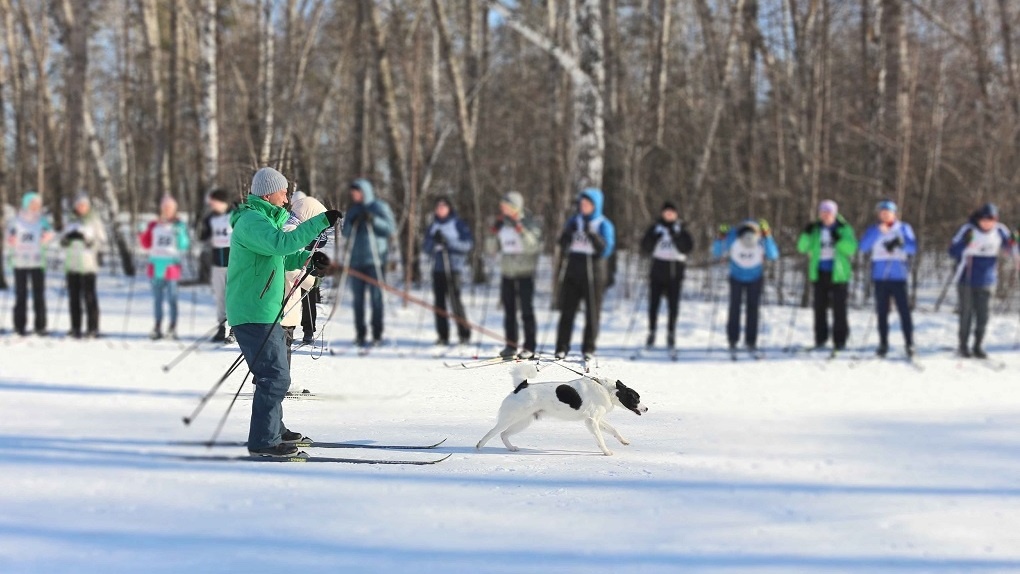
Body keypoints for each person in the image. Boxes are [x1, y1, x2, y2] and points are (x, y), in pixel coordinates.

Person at [227, 166, 340, 457]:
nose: (287, 197)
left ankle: (274, 429)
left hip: (265, 311)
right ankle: (264, 441)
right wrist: (320, 222)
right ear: (268, 192)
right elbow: (280, 243)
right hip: (253, 312)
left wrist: (309, 260)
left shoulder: (263, 220)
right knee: (274, 376)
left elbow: (284, 254)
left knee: (276, 374)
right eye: (283, 191)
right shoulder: (252, 221)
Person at [948, 203, 1018, 358]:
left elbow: (1011, 247)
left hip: (988, 280)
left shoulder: (1000, 230)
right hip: (967, 278)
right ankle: (963, 346)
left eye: (991, 219)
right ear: (978, 219)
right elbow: (952, 251)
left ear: (996, 219)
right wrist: (965, 243)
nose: (987, 222)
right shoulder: (968, 229)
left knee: (984, 315)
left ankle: (978, 346)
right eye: (984, 219)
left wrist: (1015, 238)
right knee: (966, 314)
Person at [554, 188, 616, 361]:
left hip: (594, 270)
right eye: (582, 203)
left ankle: (588, 347)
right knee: (567, 310)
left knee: (592, 312)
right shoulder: (575, 220)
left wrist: (593, 236)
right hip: (574, 268)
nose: (583, 207)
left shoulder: (603, 224)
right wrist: (567, 234)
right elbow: (562, 244)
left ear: (596, 205)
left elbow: (606, 250)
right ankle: (561, 346)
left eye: (587, 204)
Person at [341, 178, 396, 348]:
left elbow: (390, 228)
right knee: (358, 300)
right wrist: (352, 221)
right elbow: (346, 233)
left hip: (375, 260)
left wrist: (373, 220)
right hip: (357, 261)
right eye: (352, 193)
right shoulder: (353, 210)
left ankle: (377, 333)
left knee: (376, 298)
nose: (354, 196)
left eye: (356, 193)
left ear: (364, 191)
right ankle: (360, 334)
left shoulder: (379, 207)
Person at [797, 199, 858, 351]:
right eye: (823, 212)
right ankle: (821, 338)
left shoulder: (844, 228)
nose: (826, 215)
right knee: (819, 308)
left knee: (839, 308)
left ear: (834, 214)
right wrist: (806, 233)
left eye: (829, 212)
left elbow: (851, 249)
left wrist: (839, 240)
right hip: (819, 272)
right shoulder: (816, 229)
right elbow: (802, 248)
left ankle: (840, 340)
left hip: (839, 274)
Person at [859, 200, 917, 358]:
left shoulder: (903, 228)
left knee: (904, 311)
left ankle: (909, 343)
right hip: (880, 276)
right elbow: (863, 247)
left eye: (888, 212)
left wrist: (900, 244)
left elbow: (913, 247)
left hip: (899, 275)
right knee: (882, 312)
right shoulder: (874, 229)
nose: (885, 215)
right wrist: (878, 232)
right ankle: (883, 343)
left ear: (894, 214)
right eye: (882, 212)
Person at [712, 218, 779, 354]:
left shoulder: (761, 238)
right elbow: (717, 252)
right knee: (734, 308)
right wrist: (720, 237)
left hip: (755, 278)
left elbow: (773, 255)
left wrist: (768, 236)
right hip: (736, 277)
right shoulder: (732, 236)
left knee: (753, 310)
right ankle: (732, 339)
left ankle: (751, 341)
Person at [491, 191, 543, 359]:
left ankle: (529, 346)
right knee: (509, 311)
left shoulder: (529, 223)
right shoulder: (502, 224)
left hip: (524, 273)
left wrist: (521, 230)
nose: (502, 209)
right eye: (502, 206)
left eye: (505, 206)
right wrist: (493, 233)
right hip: (507, 272)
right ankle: (511, 345)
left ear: (514, 207)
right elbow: (491, 249)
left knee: (526, 311)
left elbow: (533, 247)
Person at [639, 201, 693, 351]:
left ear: (676, 214)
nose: (669, 215)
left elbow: (687, 248)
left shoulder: (680, 228)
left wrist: (676, 237)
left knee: (673, 305)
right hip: (658, 268)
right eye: (666, 212)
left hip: (675, 270)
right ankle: (652, 331)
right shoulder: (656, 228)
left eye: (672, 212)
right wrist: (655, 237)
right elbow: (645, 247)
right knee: (654, 304)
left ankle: (671, 332)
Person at [422, 196, 474, 347]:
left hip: (454, 267)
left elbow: (467, 245)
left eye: (443, 206)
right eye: (437, 206)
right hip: (438, 268)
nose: (440, 209)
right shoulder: (433, 226)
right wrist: (434, 242)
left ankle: (464, 333)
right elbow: (426, 248)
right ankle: (442, 335)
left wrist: (449, 243)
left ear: (449, 208)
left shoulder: (457, 223)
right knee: (439, 303)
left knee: (455, 301)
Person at [139, 196, 190, 340]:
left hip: (171, 267)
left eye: (170, 208)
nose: (167, 211)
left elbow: (183, 245)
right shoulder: (154, 225)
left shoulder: (179, 224)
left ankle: (172, 326)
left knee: (172, 299)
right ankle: (157, 326)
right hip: (156, 266)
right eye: (165, 208)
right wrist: (142, 233)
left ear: (174, 209)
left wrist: (180, 234)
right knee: (157, 300)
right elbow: (146, 244)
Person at [61, 194, 108, 338]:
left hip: (88, 264)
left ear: (88, 207)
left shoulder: (94, 220)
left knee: (89, 297)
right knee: (73, 297)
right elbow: (62, 239)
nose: (81, 208)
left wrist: (90, 242)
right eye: (79, 205)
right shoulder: (70, 220)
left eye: (84, 205)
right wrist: (66, 240)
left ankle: (93, 328)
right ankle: (75, 327)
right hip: (72, 264)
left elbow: (102, 239)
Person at [7, 192, 53, 336]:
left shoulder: (42, 220)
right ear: (26, 204)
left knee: (39, 295)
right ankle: (19, 326)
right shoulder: (16, 220)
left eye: (38, 204)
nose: (35, 207)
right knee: (21, 295)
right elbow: (8, 237)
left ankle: (40, 326)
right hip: (20, 262)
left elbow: (50, 235)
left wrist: (46, 237)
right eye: (32, 203)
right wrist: (12, 239)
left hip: (37, 261)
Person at [199, 188, 234, 343]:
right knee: (220, 297)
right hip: (217, 263)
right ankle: (221, 328)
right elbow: (204, 236)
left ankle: (235, 330)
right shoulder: (210, 218)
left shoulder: (235, 215)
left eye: (214, 202)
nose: (212, 205)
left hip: (233, 263)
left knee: (233, 296)